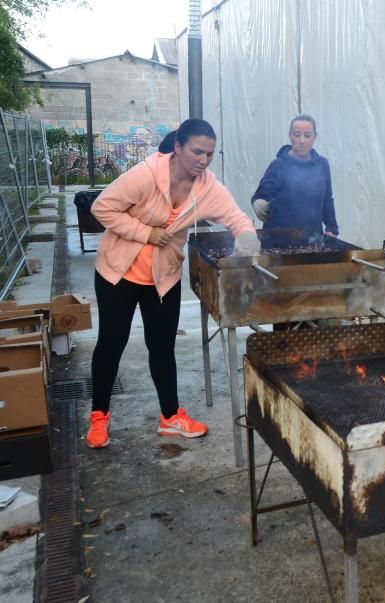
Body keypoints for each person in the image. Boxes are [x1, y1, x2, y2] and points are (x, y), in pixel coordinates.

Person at [87, 119, 260, 449]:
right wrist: (145, 233)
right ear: (178, 148)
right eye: (197, 151)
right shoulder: (146, 175)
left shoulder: (208, 188)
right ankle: (99, 416)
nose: (203, 160)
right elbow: (102, 207)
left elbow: (237, 218)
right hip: (118, 272)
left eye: (209, 154)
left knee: (163, 347)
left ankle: (170, 417)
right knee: (111, 342)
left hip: (162, 277)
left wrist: (248, 240)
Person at [251, 114, 339, 239]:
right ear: (290, 136)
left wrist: (332, 228)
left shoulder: (322, 164)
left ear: (315, 137)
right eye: (297, 135)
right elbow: (261, 195)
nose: (302, 141)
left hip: (312, 239)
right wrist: (258, 204)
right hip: (279, 239)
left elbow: (327, 198)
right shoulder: (278, 165)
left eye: (307, 135)